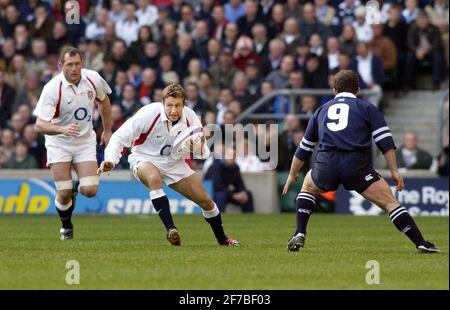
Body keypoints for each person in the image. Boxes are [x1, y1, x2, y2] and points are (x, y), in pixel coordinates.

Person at [282, 69, 440, 254]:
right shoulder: (367, 108)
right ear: (357, 90)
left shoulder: (320, 111)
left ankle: (300, 232)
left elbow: (304, 148)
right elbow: (385, 143)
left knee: (307, 187)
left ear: (334, 91)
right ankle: (420, 243)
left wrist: (293, 174)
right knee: (390, 203)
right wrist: (394, 170)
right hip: (355, 164)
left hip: (327, 163)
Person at [98, 84, 239, 247]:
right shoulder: (148, 113)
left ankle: (223, 239)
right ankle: (171, 229)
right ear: (163, 103)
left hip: (174, 163)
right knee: (154, 178)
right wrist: (111, 160)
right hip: (144, 158)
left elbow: (203, 149)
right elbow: (119, 138)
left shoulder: (190, 117)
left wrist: (198, 149)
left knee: (206, 202)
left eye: (178, 105)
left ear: (184, 104)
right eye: (170, 105)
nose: (174, 110)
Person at [33, 47, 112, 240]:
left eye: (77, 64)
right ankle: (66, 226)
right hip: (59, 143)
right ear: (61, 66)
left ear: (82, 64)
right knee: (64, 193)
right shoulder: (52, 88)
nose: (74, 69)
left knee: (90, 190)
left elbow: (104, 100)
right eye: (69, 65)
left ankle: (76, 186)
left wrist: (107, 130)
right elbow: (39, 125)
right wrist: (62, 129)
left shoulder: (93, 78)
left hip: (84, 141)